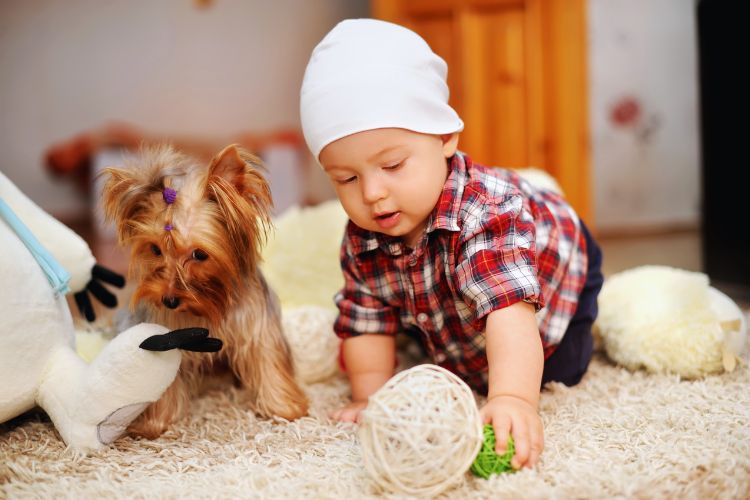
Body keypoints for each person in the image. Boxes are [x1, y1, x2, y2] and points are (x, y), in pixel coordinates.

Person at [299, 19, 603, 470]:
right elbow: (366, 320)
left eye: (393, 165)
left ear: (444, 138)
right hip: (443, 296)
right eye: (346, 178)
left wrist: (513, 398)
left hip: (555, 268)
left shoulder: (487, 213)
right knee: (432, 358)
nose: (371, 193)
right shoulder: (363, 236)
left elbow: (510, 314)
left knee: (560, 368)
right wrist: (370, 397)